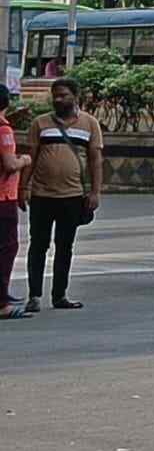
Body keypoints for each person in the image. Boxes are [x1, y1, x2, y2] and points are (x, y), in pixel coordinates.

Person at [22, 77, 102, 312]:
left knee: (65, 245)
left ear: (75, 97)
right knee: (38, 245)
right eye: (55, 95)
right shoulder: (40, 123)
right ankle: (34, 295)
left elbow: (96, 160)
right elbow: (31, 157)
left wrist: (95, 192)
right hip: (41, 195)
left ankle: (60, 295)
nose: (58, 99)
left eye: (63, 95)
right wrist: (22, 187)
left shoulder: (90, 124)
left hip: (72, 195)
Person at [0, 85, 31, 319]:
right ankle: (2, 302)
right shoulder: (4, 130)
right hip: (3, 198)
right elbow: (10, 165)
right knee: (7, 247)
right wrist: (24, 160)